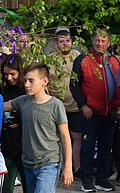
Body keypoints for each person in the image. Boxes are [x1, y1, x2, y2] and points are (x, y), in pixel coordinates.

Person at [5, 63, 74, 193]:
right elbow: (3, 105)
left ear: (44, 82)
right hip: (29, 163)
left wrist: (68, 166)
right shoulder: (23, 102)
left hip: (49, 163)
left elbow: (65, 137)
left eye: (31, 80)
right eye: (25, 80)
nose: (26, 84)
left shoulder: (55, 106)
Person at [70, 29, 119, 192]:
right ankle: (86, 180)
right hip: (90, 112)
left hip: (110, 112)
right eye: (97, 40)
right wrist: (83, 105)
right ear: (93, 41)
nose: (100, 43)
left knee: (106, 147)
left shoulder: (114, 61)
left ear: (108, 43)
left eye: (103, 41)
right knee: (88, 146)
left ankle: (102, 179)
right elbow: (74, 85)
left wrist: (118, 107)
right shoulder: (83, 60)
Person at [0, 55, 30, 193]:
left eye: (13, 74)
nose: (9, 78)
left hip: (25, 151)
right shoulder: (0, 89)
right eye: (6, 74)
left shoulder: (24, 90)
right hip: (5, 150)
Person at [53, 28, 83, 174]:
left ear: (72, 42)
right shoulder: (51, 59)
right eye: (61, 41)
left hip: (76, 106)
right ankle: (64, 167)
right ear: (56, 43)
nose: (64, 43)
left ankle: (77, 168)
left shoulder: (78, 57)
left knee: (77, 137)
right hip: (58, 107)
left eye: (67, 40)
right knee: (61, 139)